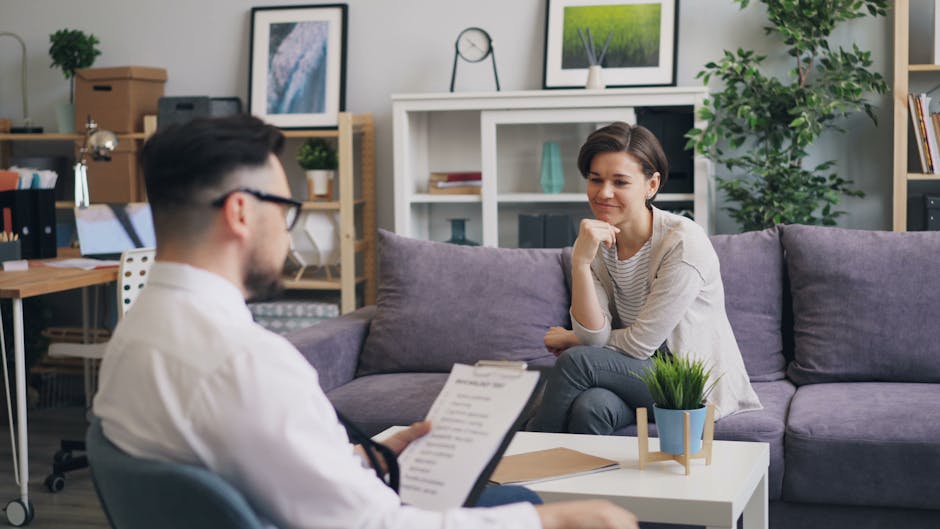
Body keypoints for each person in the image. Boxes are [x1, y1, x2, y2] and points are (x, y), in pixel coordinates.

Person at [92, 115, 639, 529]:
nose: (287, 234)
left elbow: (231, 458)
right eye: (285, 211)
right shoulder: (246, 362)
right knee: (531, 505)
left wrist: (358, 457)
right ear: (240, 212)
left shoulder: (134, 335)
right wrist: (551, 521)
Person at [528, 122, 761, 435]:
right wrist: (581, 263)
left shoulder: (681, 242)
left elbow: (639, 344)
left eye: (620, 182)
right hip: (633, 375)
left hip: (689, 384)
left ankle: (520, 462)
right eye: (595, 180)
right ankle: (587, 483)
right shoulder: (594, 242)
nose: (603, 192)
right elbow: (595, 336)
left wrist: (573, 338)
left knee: (575, 362)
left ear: (651, 185)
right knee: (591, 407)